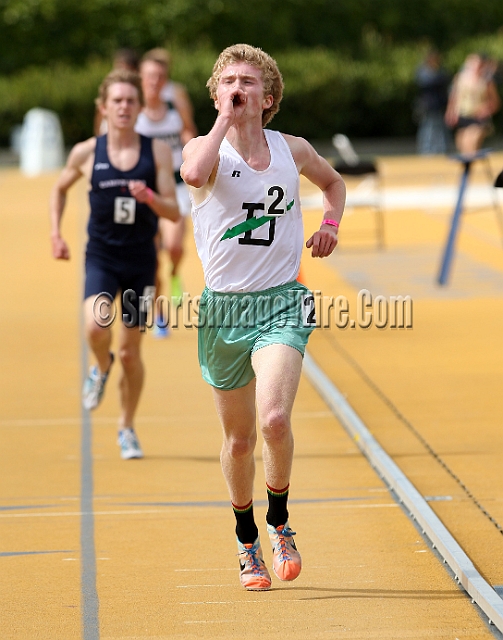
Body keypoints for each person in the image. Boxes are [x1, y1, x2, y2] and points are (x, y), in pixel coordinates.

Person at [181, 44, 346, 591]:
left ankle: (279, 524)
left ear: (268, 96)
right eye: (227, 80)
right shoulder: (205, 149)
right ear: (215, 94)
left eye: (248, 82)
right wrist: (223, 120)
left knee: (273, 419)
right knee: (240, 440)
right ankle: (245, 537)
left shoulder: (290, 149)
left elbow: (335, 184)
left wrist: (330, 226)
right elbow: (193, 174)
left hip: (282, 299)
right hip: (224, 309)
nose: (237, 87)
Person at [50, 68, 180, 459]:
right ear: (103, 107)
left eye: (131, 100)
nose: (124, 106)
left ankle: (127, 427)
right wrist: (56, 234)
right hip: (103, 257)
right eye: (117, 101)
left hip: (141, 263)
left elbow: (174, 212)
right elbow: (59, 188)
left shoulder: (154, 150)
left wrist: (151, 200)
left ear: (140, 107)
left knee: (131, 353)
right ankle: (99, 366)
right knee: (95, 325)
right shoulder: (87, 152)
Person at [135, 48, 197, 336]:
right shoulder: (132, 112)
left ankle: (174, 274)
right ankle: (160, 314)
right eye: (149, 76)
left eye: (160, 76)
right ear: (140, 78)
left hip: (176, 187)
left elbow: (188, 131)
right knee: (151, 257)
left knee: (173, 246)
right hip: (146, 190)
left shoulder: (175, 106)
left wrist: (192, 149)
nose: (154, 81)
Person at [445, 52, 501, 155]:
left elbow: (495, 102)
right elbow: (454, 97)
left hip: (478, 118)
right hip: (464, 115)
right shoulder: (460, 78)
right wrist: (450, 112)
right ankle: (468, 167)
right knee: (462, 145)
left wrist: (487, 110)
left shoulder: (486, 81)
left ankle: (469, 167)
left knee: (472, 141)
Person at [414, 49, 451, 155]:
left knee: (440, 128)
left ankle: (440, 149)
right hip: (428, 106)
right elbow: (426, 82)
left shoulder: (440, 71)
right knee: (428, 128)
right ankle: (426, 150)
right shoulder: (423, 71)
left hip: (439, 105)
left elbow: (445, 80)